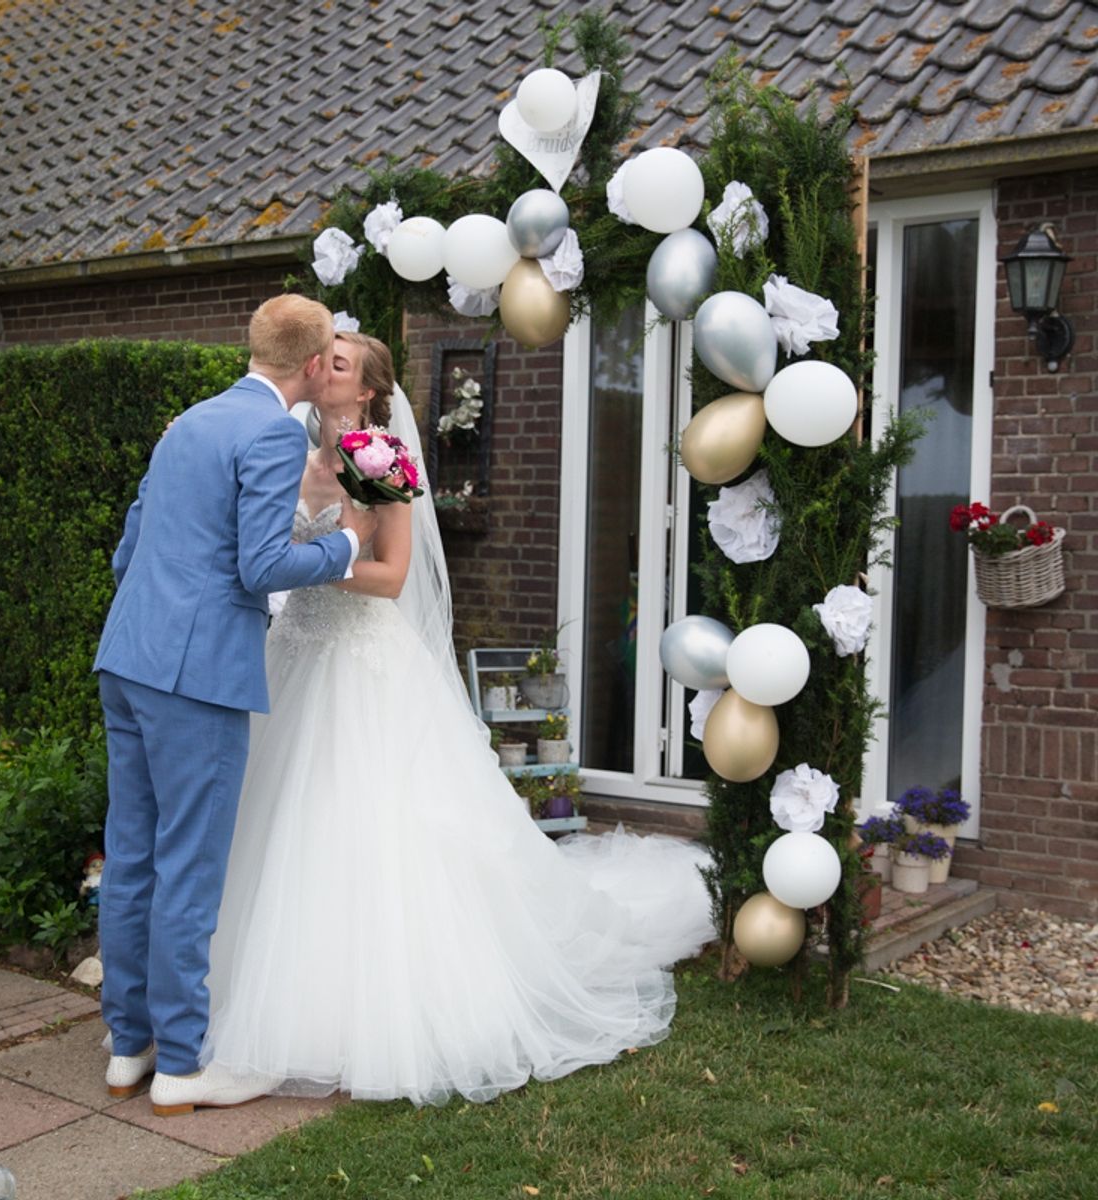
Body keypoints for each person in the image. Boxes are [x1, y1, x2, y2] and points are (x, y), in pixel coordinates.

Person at [185, 332, 716, 1111]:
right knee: (274, 819)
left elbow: (393, 576)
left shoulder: (383, 460)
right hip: (294, 656)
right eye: (322, 357)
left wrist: (322, 563)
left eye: (339, 363)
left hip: (360, 665)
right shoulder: (284, 450)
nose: (323, 368)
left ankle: (329, 1018)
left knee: (352, 823)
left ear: (368, 391)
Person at [92, 295, 376, 1113]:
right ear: (313, 364)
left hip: (128, 655)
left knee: (132, 857)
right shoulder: (273, 433)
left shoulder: (188, 422)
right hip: (197, 674)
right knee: (188, 866)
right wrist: (347, 543)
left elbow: (128, 551)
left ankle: (128, 1046)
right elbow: (260, 566)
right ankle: (180, 1062)